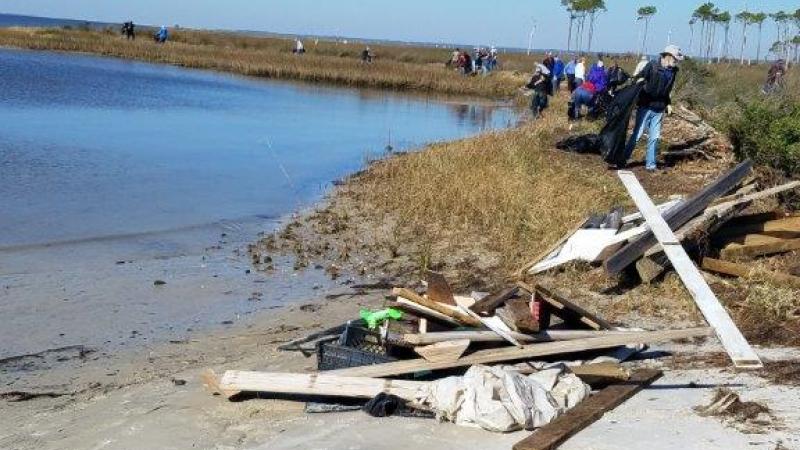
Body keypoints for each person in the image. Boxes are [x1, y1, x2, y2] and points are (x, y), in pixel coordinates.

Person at [622, 45, 683, 172]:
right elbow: (639, 77)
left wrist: (669, 104)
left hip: (659, 109)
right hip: (645, 106)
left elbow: (667, 91)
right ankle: (622, 159)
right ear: (668, 56)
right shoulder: (652, 66)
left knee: (654, 138)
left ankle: (651, 165)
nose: (676, 61)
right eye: (675, 59)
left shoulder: (673, 72)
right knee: (637, 135)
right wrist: (637, 83)